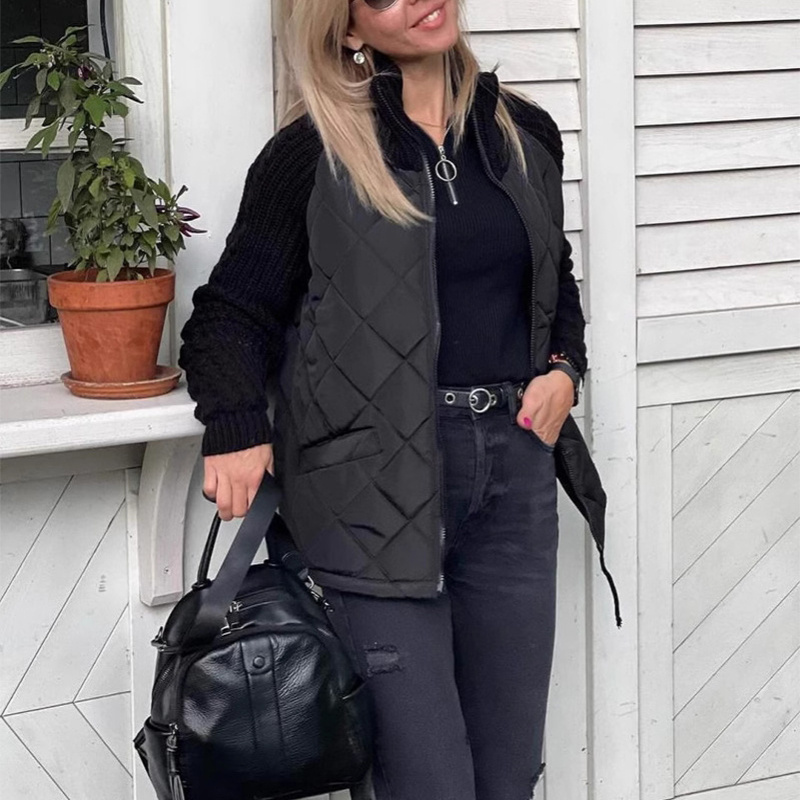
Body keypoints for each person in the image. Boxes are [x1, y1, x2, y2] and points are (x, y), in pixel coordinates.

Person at [178, 1, 621, 797]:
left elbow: (553, 282)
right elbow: (232, 312)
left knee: (509, 775)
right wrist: (236, 425)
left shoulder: (525, 134)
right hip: (370, 493)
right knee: (426, 781)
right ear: (347, 27)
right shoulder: (311, 153)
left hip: (514, 476)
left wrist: (563, 368)